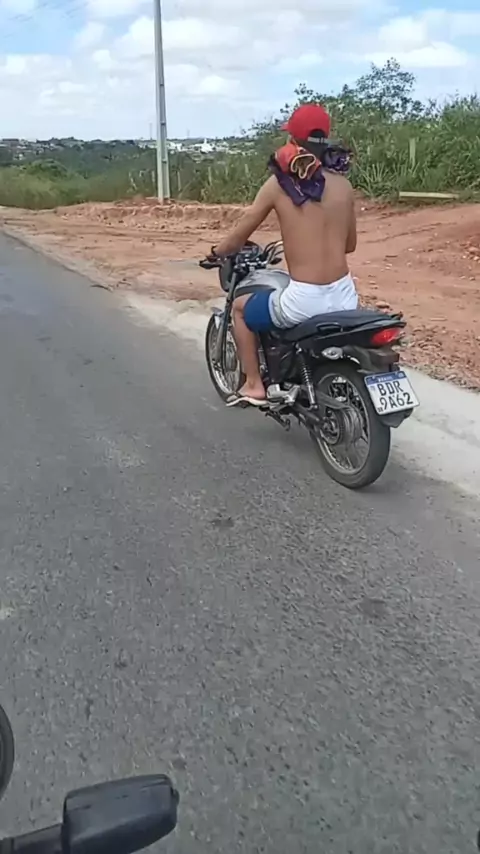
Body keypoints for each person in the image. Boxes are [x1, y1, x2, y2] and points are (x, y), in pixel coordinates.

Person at [212, 103, 358, 406]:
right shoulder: (344, 186)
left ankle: (254, 384)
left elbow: (240, 235)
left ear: (292, 139)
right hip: (345, 296)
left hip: (304, 300)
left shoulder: (279, 185)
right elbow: (349, 246)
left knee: (240, 309)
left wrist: (218, 251)